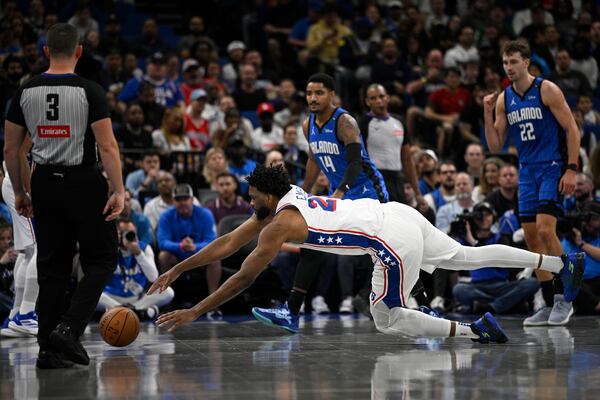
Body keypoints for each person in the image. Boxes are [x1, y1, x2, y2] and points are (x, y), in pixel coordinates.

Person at [149, 165, 584, 341]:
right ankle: (559, 263)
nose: (248, 204)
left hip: (388, 240)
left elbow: (242, 275)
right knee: (464, 257)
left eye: (251, 197)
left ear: (266, 195)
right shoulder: (286, 199)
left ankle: (476, 332)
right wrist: (176, 272)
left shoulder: (279, 223)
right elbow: (226, 243)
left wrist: (195, 312)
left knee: (386, 317)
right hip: (397, 214)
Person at [3, 23, 124, 369]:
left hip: (45, 184)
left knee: (51, 267)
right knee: (101, 259)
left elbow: (11, 149)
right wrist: (118, 190)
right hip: (84, 181)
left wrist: (22, 191)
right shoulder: (90, 90)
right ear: (79, 51)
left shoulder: (24, 91)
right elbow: (107, 145)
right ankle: (68, 328)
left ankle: (47, 350)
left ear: (45, 51)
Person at [484, 40, 580, 326]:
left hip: (552, 167)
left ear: (526, 62)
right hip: (526, 171)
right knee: (531, 239)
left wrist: (572, 169)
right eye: (505, 63)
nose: (509, 68)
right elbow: (494, 145)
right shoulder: (504, 98)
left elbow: (572, 128)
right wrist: (487, 113)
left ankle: (566, 296)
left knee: (545, 230)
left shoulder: (546, 89)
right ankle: (549, 302)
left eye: (514, 62)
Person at [452, 202, 540, 314]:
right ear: (473, 218)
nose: (484, 218)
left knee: (531, 283)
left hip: (501, 285)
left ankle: (489, 307)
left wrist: (473, 243)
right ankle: (507, 305)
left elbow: (495, 261)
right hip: (477, 286)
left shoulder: (500, 238)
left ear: (493, 217)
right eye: (480, 215)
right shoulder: (465, 240)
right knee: (459, 289)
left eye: (488, 215)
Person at [0, 136, 39, 338]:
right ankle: (26, 314)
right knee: (38, 249)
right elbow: (20, 152)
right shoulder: (36, 116)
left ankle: (15, 314)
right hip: (22, 184)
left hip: (16, 182)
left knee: (26, 251)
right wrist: (30, 193)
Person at [98, 218, 174, 320]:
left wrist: (138, 253)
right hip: (112, 297)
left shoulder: (144, 248)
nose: (129, 236)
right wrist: (113, 247)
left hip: (138, 298)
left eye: (132, 233)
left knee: (168, 292)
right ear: (117, 234)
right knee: (90, 294)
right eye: (124, 233)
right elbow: (100, 277)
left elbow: (153, 278)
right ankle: (141, 312)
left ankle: (119, 311)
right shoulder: (108, 248)